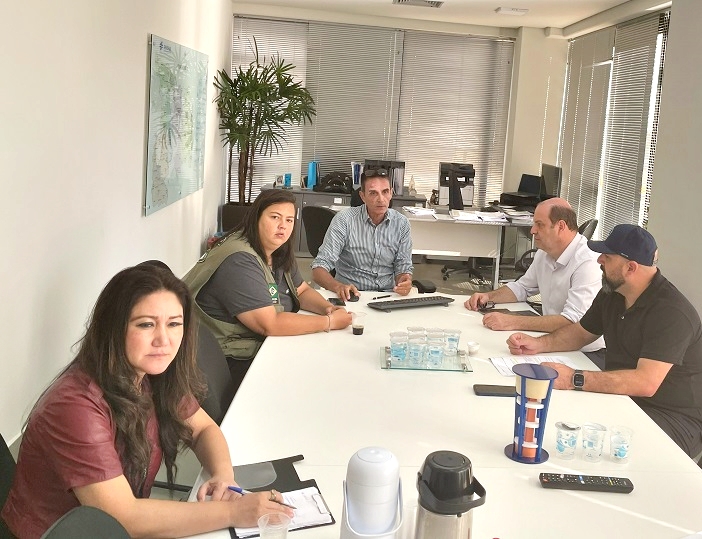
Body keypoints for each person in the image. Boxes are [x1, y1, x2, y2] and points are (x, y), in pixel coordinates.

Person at [1, 264, 291, 538]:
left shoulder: (151, 375)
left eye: (174, 324)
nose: (163, 340)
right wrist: (232, 512)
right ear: (113, 328)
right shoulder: (75, 407)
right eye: (146, 324)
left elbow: (203, 429)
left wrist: (223, 476)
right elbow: (123, 516)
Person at [506, 224, 702, 457]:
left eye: (607, 257)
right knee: (560, 420)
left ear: (630, 268)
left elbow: (645, 382)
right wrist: (538, 344)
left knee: (579, 442)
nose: (599, 260)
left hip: (673, 421)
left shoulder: (671, 313)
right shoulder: (614, 293)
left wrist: (573, 378)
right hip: (626, 400)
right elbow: (581, 333)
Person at [184, 189, 352, 385]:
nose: (283, 226)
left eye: (289, 220)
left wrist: (328, 308)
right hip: (224, 360)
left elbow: (302, 290)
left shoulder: (277, 250)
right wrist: (328, 322)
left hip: (257, 346)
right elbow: (269, 324)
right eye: (275, 217)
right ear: (256, 217)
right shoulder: (239, 259)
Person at [463, 198, 604, 352]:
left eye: (539, 224)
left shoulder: (588, 262)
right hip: (552, 341)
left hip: (584, 353)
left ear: (561, 226)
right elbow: (522, 288)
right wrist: (488, 296)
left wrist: (512, 321)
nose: (532, 230)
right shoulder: (545, 252)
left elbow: (573, 322)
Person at [311, 168, 413, 302]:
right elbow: (319, 268)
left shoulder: (401, 223)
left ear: (391, 193)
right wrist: (338, 287)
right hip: (352, 295)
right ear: (362, 196)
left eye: (385, 192)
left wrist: (404, 280)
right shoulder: (345, 220)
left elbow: (403, 265)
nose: (381, 199)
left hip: (388, 296)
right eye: (373, 193)